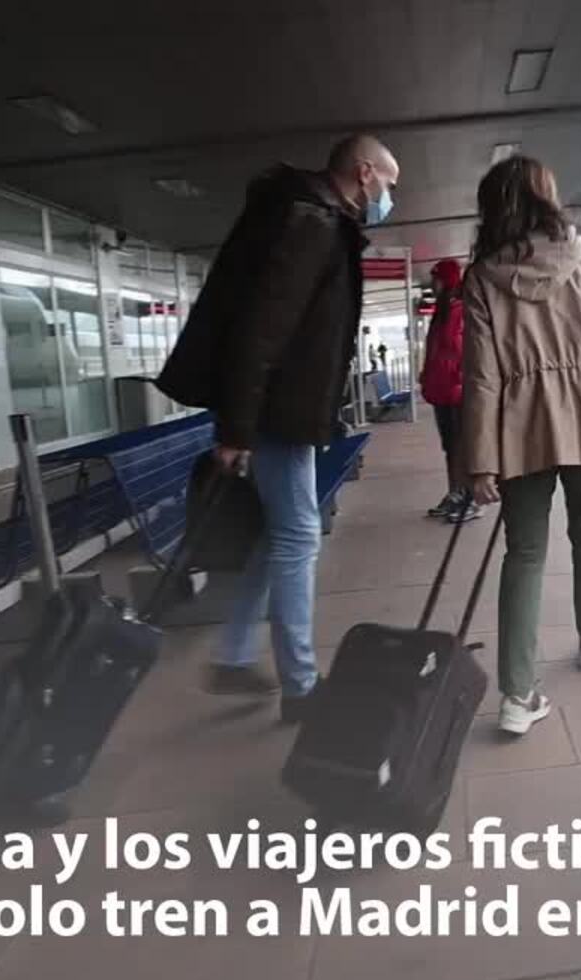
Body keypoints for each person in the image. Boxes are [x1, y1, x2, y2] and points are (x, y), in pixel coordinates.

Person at [156, 133, 400, 708]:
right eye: (389, 182)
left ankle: (235, 658)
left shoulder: (306, 214)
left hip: (279, 408)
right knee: (297, 537)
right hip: (279, 411)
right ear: (364, 173)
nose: (390, 195)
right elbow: (261, 330)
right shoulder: (310, 222)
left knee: (283, 533)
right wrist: (237, 428)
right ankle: (301, 685)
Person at [459, 155, 581, 735]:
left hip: (517, 426)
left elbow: (480, 376)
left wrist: (478, 461)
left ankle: (516, 695)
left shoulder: (481, 276)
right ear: (546, 196)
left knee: (524, 555)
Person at [419, 258, 480, 524]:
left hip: (456, 392)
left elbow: (464, 351)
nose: (433, 283)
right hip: (441, 390)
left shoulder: (461, 311)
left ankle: (470, 498)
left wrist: (459, 379)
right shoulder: (441, 311)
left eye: (437, 278)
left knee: (460, 447)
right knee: (450, 447)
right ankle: (455, 493)